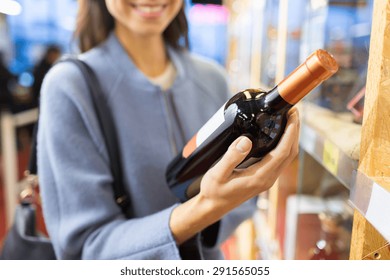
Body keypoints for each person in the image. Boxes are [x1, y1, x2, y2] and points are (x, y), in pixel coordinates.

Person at [38, 0, 300, 260]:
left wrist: (243, 190)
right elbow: (85, 249)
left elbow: (242, 198)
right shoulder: (70, 87)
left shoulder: (212, 78)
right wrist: (206, 208)